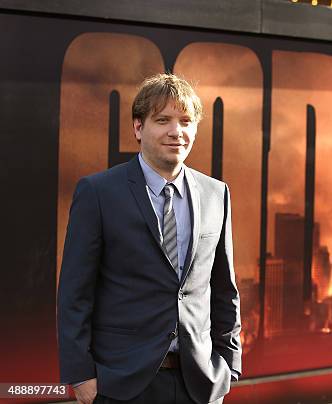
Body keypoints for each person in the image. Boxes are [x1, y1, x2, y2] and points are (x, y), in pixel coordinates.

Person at [57, 73, 241, 404]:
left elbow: (225, 288)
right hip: (121, 384)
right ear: (138, 128)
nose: (176, 131)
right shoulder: (98, 192)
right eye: (163, 120)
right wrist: (81, 375)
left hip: (199, 383)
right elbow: (74, 293)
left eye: (186, 121)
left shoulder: (217, 194)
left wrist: (229, 365)